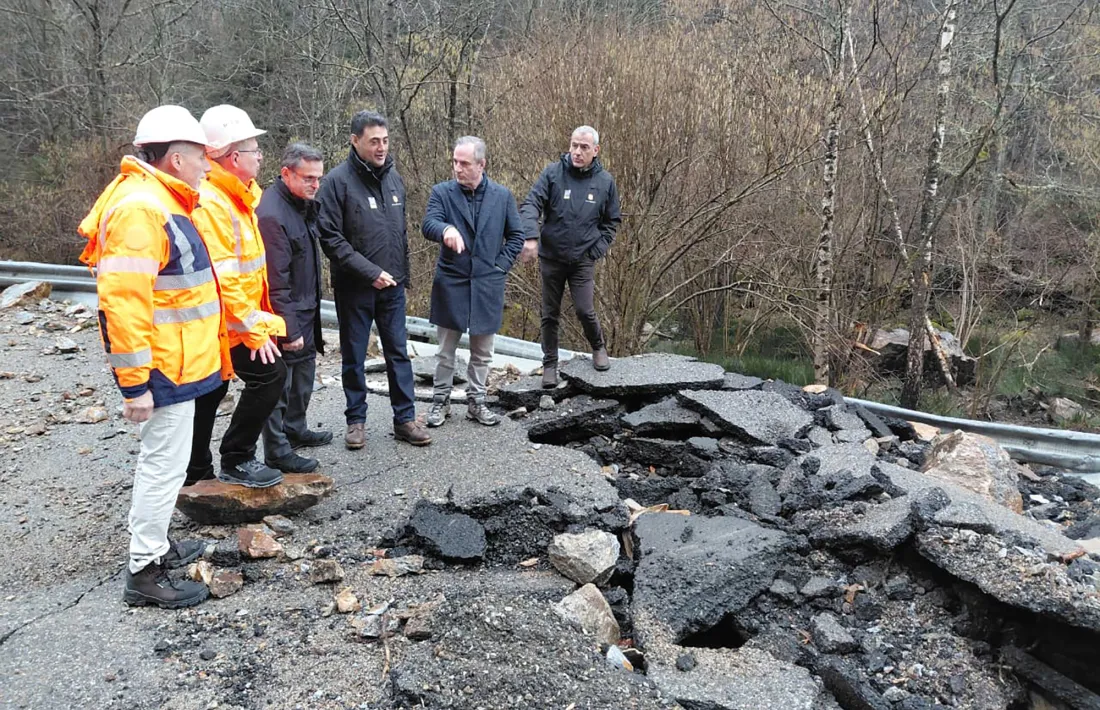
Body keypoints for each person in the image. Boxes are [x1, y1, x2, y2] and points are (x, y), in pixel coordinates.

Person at [77, 105, 229, 608]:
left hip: (176, 362)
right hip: (163, 367)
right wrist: (135, 384)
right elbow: (123, 304)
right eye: (201, 157)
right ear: (177, 159)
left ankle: (158, 545)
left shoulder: (160, 200)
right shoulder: (142, 209)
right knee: (163, 465)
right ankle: (144, 570)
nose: (209, 166)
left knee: (169, 460)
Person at [316, 110, 431, 449]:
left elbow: (401, 233)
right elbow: (330, 239)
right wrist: (370, 273)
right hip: (355, 289)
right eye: (373, 141)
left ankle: (405, 419)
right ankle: (356, 421)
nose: (381, 148)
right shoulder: (336, 183)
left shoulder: (394, 178)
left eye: (385, 140)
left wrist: (402, 276)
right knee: (354, 356)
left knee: (399, 354)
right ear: (355, 141)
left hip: (392, 287)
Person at [188, 104, 288, 488]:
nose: (260, 156)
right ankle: (236, 458)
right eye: (254, 150)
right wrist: (253, 329)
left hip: (228, 319)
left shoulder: (237, 197)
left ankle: (198, 471)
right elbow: (225, 277)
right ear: (232, 157)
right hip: (225, 321)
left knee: (211, 392)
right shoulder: (215, 202)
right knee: (268, 375)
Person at [421, 136, 526, 427]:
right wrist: (446, 230)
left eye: (464, 163)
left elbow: (517, 236)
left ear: (481, 165)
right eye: (455, 162)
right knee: (445, 351)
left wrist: (500, 267)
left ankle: (476, 402)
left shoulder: (502, 196)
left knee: (482, 352)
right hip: (451, 282)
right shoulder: (442, 192)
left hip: (487, 284)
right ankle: (439, 402)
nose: (457, 168)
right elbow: (428, 224)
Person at [519, 125, 622, 388]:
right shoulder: (552, 173)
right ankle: (550, 364)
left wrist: (596, 250)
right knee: (549, 313)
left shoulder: (605, 182)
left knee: (584, 310)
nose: (577, 151)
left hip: (582, 259)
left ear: (595, 151)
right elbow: (531, 204)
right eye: (574, 145)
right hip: (552, 256)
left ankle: (598, 347)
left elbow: (612, 221)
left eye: (584, 147)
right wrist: (530, 235)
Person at [256, 143, 332, 473]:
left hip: (306, 306)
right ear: (286, 174)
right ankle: (277, 449)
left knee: (304, 376)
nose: (315, 185)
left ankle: (295, 428)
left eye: (319, 178)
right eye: (308, 178)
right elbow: (276, 279)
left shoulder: (300, 205)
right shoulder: (273, 214)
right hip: (287, 313)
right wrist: (287, 328)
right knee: (279, 385)